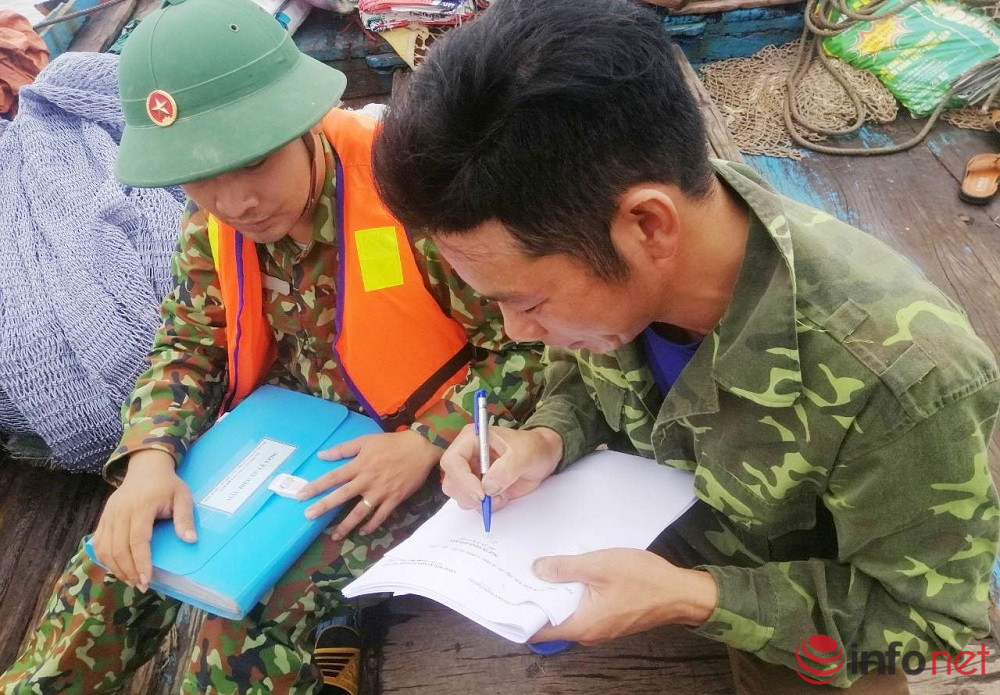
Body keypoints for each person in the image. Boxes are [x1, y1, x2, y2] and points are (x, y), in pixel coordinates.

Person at [369, 0, 1000, 692]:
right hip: (646, 560)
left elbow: (925, 623)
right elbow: (586, 380)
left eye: (528, 301)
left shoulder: (901, 376)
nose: (517, 331)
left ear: (648, 224)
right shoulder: (610, 260)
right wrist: (546, 438)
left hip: (808, 650)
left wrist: (694, 598)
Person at [0, 0, 543, 693]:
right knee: (114, 559)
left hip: (419, 457)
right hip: (285, 444)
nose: (236, 202)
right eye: (200, 175)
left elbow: (537, 349)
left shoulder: (416, 200)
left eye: (254, 161)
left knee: (243, 626)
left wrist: (426, 442)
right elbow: (188, 341)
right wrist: (149, 456)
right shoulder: (212, 223)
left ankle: (336, 633)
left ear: (303, 121)